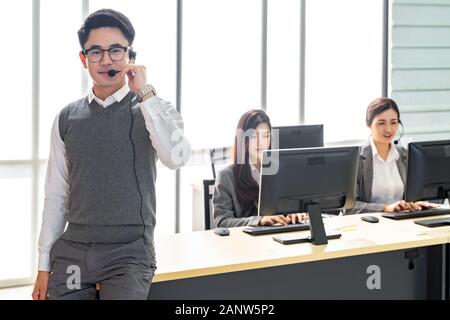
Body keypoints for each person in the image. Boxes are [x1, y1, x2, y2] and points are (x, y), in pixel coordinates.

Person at [32, 9, 190, 300]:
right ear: (83, 59)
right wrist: (43, 265)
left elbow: (176, 158)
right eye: (96, 52)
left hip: (129, 252)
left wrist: (145, 94)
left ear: (130, 55)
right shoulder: (67, 118)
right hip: (74, 252)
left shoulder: (153, 107)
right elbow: (56, 195)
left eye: (116, 50)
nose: (106, 60)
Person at [213, 109, 306, 227]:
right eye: (253, 136)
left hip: (279, 237)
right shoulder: (226, 176)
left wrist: (295, 214)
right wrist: (259, 221)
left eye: (265, 136)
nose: (260, 142)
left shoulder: (280, 170)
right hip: (245, 242)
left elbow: (289, 207)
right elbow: (222, 222)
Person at [348, 97, 437, 214]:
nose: (389, 129)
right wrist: (385, 208)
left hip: (403, 222)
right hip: (370, 225)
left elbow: (415, 194)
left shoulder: (405, 155)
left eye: (394, 122)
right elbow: (348, 207)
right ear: (369, 125)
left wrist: (415, 203)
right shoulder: (357, 159)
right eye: (381, 123)